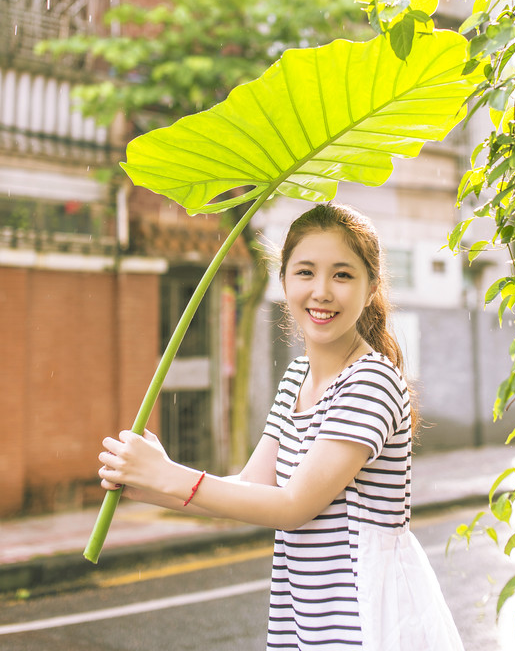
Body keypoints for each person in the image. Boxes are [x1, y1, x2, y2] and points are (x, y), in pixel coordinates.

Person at [99, 202, 465, 651]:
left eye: (343, 275)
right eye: (306, 272)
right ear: (285, 280)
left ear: (371, 288)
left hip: (369, 616)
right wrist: (148, 486)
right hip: (307, 618)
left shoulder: (372, 380)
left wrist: (170, 476)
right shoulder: (296, 377)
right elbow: (252, 487)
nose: (322, 291)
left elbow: (293, 505)